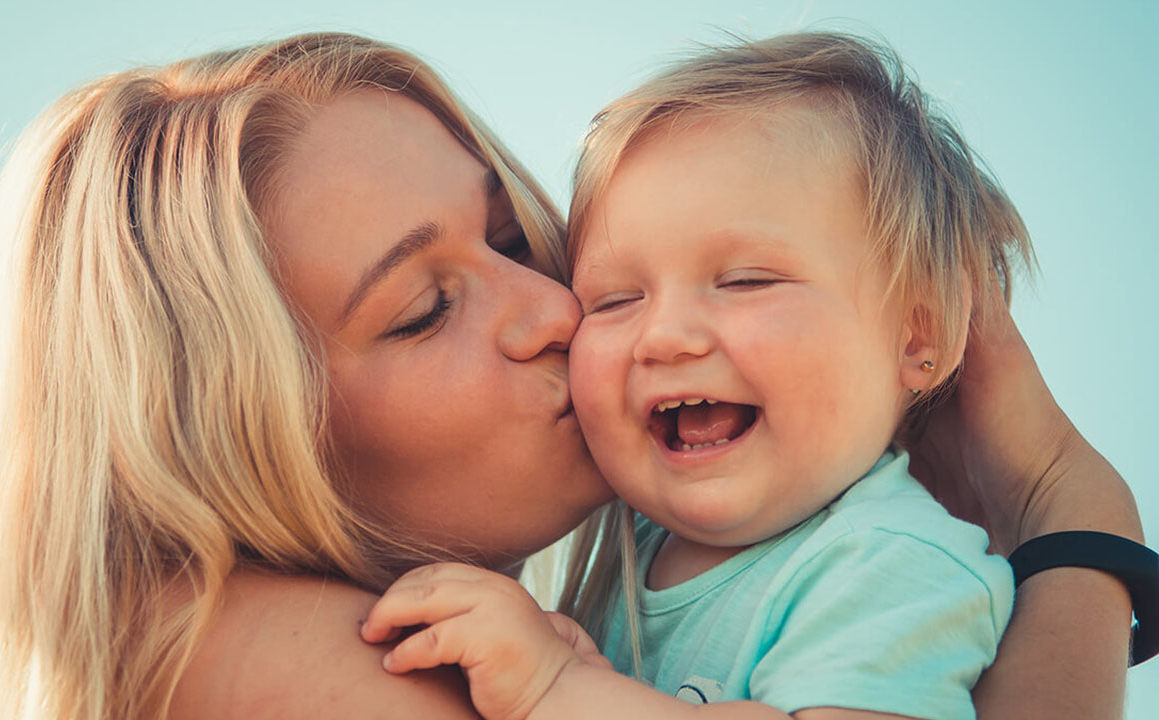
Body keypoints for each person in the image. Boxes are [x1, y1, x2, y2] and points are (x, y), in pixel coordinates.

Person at [0, 31, 1142, 720]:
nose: (555, 310)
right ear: (233, 435)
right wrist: (1072, 518)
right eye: (427, 307)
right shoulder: (259, 659)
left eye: (509, 239)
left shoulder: (666, 590)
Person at [361, 32, 1036, 720]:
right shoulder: (627, 553)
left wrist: (559, 690)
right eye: (615, 301)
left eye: (745, 281)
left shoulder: (895, 563)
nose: (664, 337)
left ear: (919, 335)